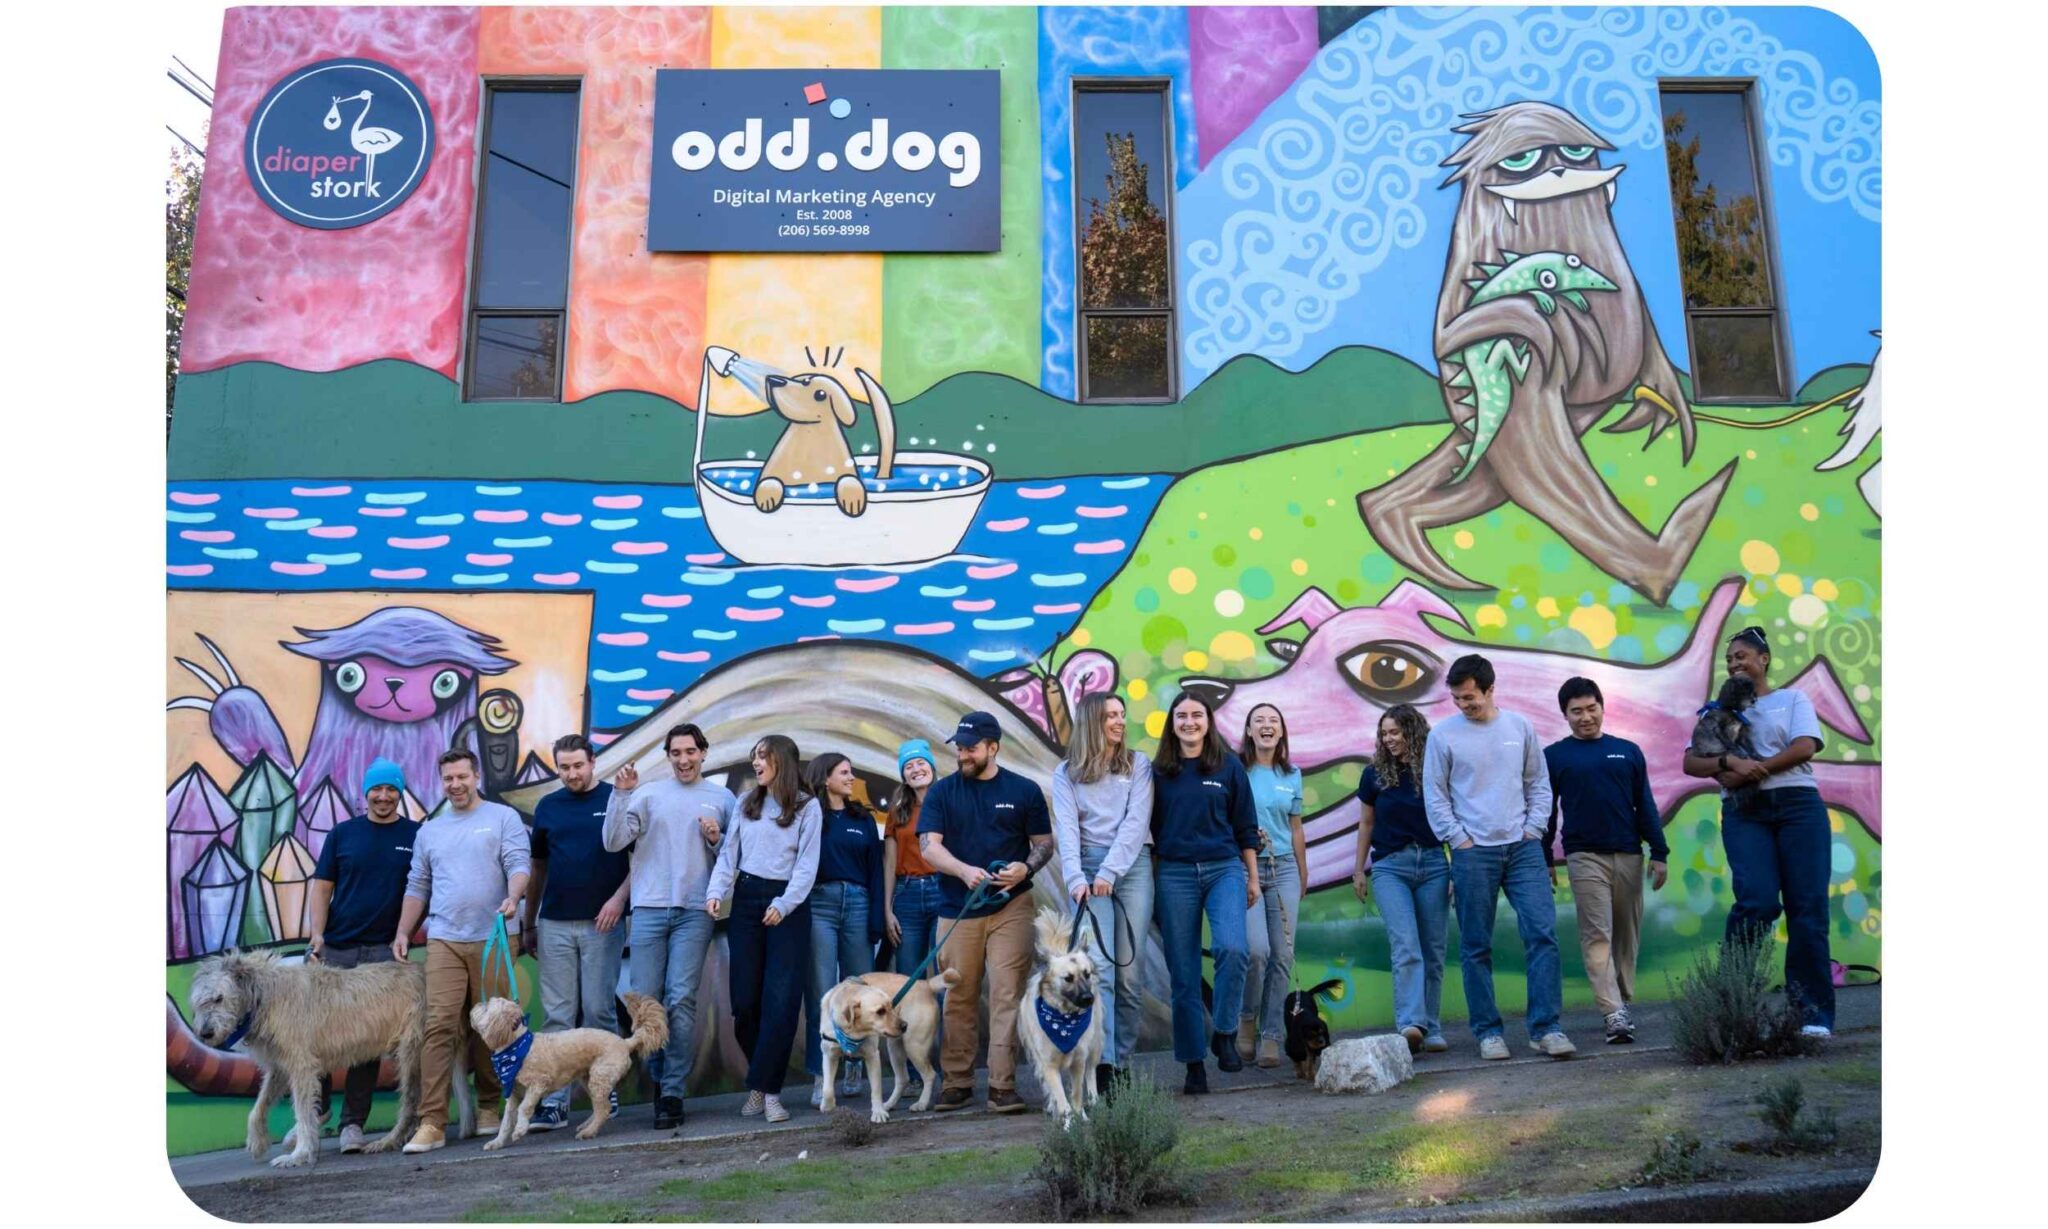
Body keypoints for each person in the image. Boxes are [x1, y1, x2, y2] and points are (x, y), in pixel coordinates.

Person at [1683, 626, 1835, 1037]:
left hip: (1798, 807)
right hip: (1744, 814)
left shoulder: (1792, 700)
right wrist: (1729, 764)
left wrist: (1756, 770)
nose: (1734, 663)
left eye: (1742, 656)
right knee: (1756, 902)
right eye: (1730, 659)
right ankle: (1731, 1007)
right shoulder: (1718, 711)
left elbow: (1806, 746)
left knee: (1807, 910)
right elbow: (1691, 763)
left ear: (1764, 659)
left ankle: (1812, 1016)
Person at [1423, 655, 1575, 1060]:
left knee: (1542, 934)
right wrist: (1459, 839)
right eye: (1456, 698)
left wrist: (1534, 831)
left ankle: (1546, 1029)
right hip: (1473, 853)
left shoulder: (1519, 727)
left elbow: (1538, 784)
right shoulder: (1443, 736)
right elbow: (1435, 796)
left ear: (1491, 689)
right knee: (1476, 945)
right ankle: (1488, 1032)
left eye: (1469, 697)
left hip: (1523, 848)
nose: (1462, 705)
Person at [392, 749, 531, 1152]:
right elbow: (417, 885)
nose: (455, 785)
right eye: (448, 778)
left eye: (461, 777)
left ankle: (491, 1107)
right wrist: (404, 931)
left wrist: (514, 897)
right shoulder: (430, 831)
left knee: (494, 1026)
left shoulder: (502, 818)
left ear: (476, 776)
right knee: (438, 1027)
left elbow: (519, 864)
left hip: (495, 937)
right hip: (445, 940)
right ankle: (432, 1122)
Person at [916, 710, 1053, 1115]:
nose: (963, 754)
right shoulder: (943, 793)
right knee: (958, 994)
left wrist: (1026, 867)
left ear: (993, 747)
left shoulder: (1024, 790)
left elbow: (1044, 843)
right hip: (958, 908)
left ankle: (1001, 1085)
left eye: (971, 748)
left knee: (1006, 994)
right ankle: (956, 1082)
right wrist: (963, 870)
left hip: (1012, 906)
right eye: (959, 747)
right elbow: (929, 846)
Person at [603, 722, 737, 1129]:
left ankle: (672, 1091)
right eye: (676, 753)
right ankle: (660, 1080)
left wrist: (716, 839)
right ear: (668, 756)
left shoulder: (722, 797)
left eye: (690, 752)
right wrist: (621, 793)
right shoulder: (646, 794)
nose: (683, 760)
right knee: (647, 1002)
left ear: (703, 753)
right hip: (647, 910)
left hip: (695, 912)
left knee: (681, 1000)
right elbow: (612, 842)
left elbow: (733, 855)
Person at [305, 757, 422, 1153]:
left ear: (400, 793)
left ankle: (352, 1124)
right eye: (378, 789)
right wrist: (317, 936)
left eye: (392, 789)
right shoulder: (342, 834)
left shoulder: (416, 834)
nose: (384, 796)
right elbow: (322, 888)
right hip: (337, 948)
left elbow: (422, 887)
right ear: (366, 792)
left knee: (366, 1044)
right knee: (316, 1034)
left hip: (383, 953)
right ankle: (314, 1115)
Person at [1545, 678, 1669, 1045]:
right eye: (1576, 711)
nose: (1585, 717)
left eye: (1591, 708)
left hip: (1629, 854)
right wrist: (1545, 857)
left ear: (1602, 706)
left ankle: (1621, 999)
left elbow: (1644, 804)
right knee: (1597, 934)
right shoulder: (1555, 756)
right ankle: (1613, 1012)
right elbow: (1547, 812)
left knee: (1626, 933)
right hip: (1584, 857)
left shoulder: (1627, 751)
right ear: (1565, 715)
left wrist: (1659, 852)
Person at [705, 735, 821, 1124]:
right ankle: (761, 1080)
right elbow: (729, 854)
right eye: (753, 756)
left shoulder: (807, 807)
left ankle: (769, 1093)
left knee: (782, 1001)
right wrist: (716, 892)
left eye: (762, 756)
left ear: (782, 761)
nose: (756, 763)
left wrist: (785, 904)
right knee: (745, 1002)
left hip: (788, 905)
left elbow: (807, 866)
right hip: (748, 898)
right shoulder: (746, 802)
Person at [1149, 690, 1260, 1095]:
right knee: (1183, 974)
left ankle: (1225, 1032)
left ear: (1208, 721)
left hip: (1224, 868)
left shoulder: (1229, 767)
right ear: (1172, 723)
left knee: (1233, 948)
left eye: (1197, 715)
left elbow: (1246, 827)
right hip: (1174, 874)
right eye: (1182, 716)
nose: (1190, 722)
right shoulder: (1158, 772)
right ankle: (1193, 1063)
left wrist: (1251, 878)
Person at [520, 734, 632, 1131]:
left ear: (593, 762)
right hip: (554, 923)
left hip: (603, 923)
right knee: (557, 1015)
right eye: (564, 767)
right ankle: (554, 1102)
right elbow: (538, 870)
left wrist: (618, 902)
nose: (572, 774)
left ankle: (605, 1091)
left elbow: (639, 861)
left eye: (578, 766)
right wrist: (529, 921)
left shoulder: (615, 799)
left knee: (599, 1009)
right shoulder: (548, 807)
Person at [1050, 693, 1155, 1096]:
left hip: (1132, 867)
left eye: (1122, 715)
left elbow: (1135, 822)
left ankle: (1124, 1058)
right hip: (1088, 871)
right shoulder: (1067, 773)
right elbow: (1068, 828)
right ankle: (1105, 1064)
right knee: (1102, 973)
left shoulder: (1137, 764)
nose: (1119, 722)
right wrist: (1077, 877)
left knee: (1130, 973)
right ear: (1092, 721)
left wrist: (1110, 871)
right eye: (1111, 715)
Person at [1352, 705, 1450, 1056]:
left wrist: (1454, 867)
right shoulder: (1374, 774)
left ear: (1413, 731)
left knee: (1433, 950)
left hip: (1436, 865)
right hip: (1391, 867)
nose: (1389, 739)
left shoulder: (1436, 769)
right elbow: (1366, 824)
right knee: (1407, 945)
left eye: (1395, 732)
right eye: (1384, 733)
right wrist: (1358, 869)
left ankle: (1432, 1027)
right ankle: (1410, 1024)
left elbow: (1452, 816)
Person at [802, 752, 885, 1109]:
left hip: (859, 904)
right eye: (844, 773)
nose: (851, 778)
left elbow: (876, 870)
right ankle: (822, 1073)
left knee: (859, 988)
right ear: (825, 778)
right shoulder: (808, 816)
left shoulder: (861, 818)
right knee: (821, 991)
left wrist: (877, 917)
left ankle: (855, 1065)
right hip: (819, 904)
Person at [1237, 703, 1304, 1070]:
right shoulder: (1236, 770)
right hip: (1245, 868)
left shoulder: (1292, 774)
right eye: (1259, 721)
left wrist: (1303, 874)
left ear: (1281, 732)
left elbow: (1296, 828)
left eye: (1273, 721)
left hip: (1285, 870)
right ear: (1248, 730)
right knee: (1257, 951)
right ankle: (1246, 1019)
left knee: (1282, 955)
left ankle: (1272, 1035)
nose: (1266, 726)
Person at [882, 739, 942, 1100]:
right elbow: (889, 862)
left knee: (944, 981)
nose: (916, 769)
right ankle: (915, 1075)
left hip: (943, 892)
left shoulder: (948, 800)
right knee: (908, 985)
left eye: (921, 763)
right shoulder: (899, 810)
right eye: (908, 766)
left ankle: (947, 1068)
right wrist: (887, 907)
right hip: (906, 895)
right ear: (903, 775)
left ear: (932, 766)